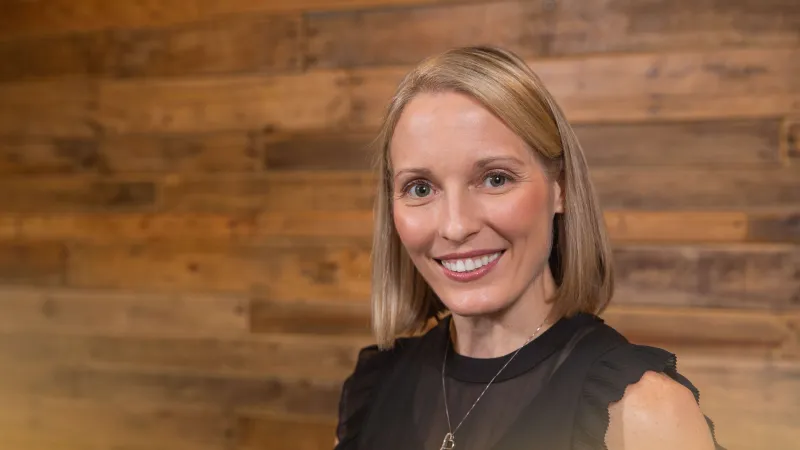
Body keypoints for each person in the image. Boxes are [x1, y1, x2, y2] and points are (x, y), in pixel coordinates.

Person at [333, 46, 725, 450]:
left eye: (496, 179)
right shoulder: (372, 387)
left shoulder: (644, 411)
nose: (455, 226)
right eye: (420, 188)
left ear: (562, 188)